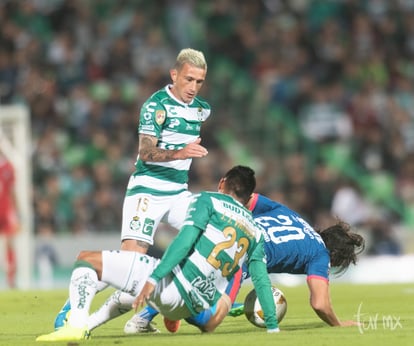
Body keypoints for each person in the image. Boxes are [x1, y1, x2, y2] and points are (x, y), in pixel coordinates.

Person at [53, 47, 211, 332]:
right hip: (147, 192)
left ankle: (148, 315)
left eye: (199, 82)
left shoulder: (202, 109)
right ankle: (71, 306)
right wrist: (179, 153)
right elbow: (146, 151)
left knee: (207, 234)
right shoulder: (155, 106)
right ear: (174, 75)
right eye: (189, 79)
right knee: (129, 263)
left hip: (178, 193)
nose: (193, 87)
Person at [36, 166, 280, 342]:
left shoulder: (209, 200)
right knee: (135, 290)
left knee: (86, 260)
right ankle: (90, 325)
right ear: (249, 198)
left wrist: (154, 278)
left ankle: (75, 325)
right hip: (196, 306)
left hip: (172, 288)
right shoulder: (255, 231)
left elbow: (184, 242)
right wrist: (272, 326)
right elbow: (261, 279)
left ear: (222, 182)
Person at [133, 192, 366, 332]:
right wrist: (338, 324)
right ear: (335, 256)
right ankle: (180, 311)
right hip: (240, 256)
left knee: (187, 271)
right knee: (211, 321)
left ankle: (143, 318)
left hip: (221, 230)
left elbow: (248, 199)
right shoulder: (320, 254)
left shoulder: (291, 214)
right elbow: (320, 304)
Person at [0, 149, 19, 288]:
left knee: (10, 244)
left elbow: (12, 191)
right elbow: (12, 191)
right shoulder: (8, 167)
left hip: (6, 209)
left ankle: (11, 279)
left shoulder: (8, 167)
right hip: (6, 210)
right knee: (9, 244)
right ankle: (11, 279)